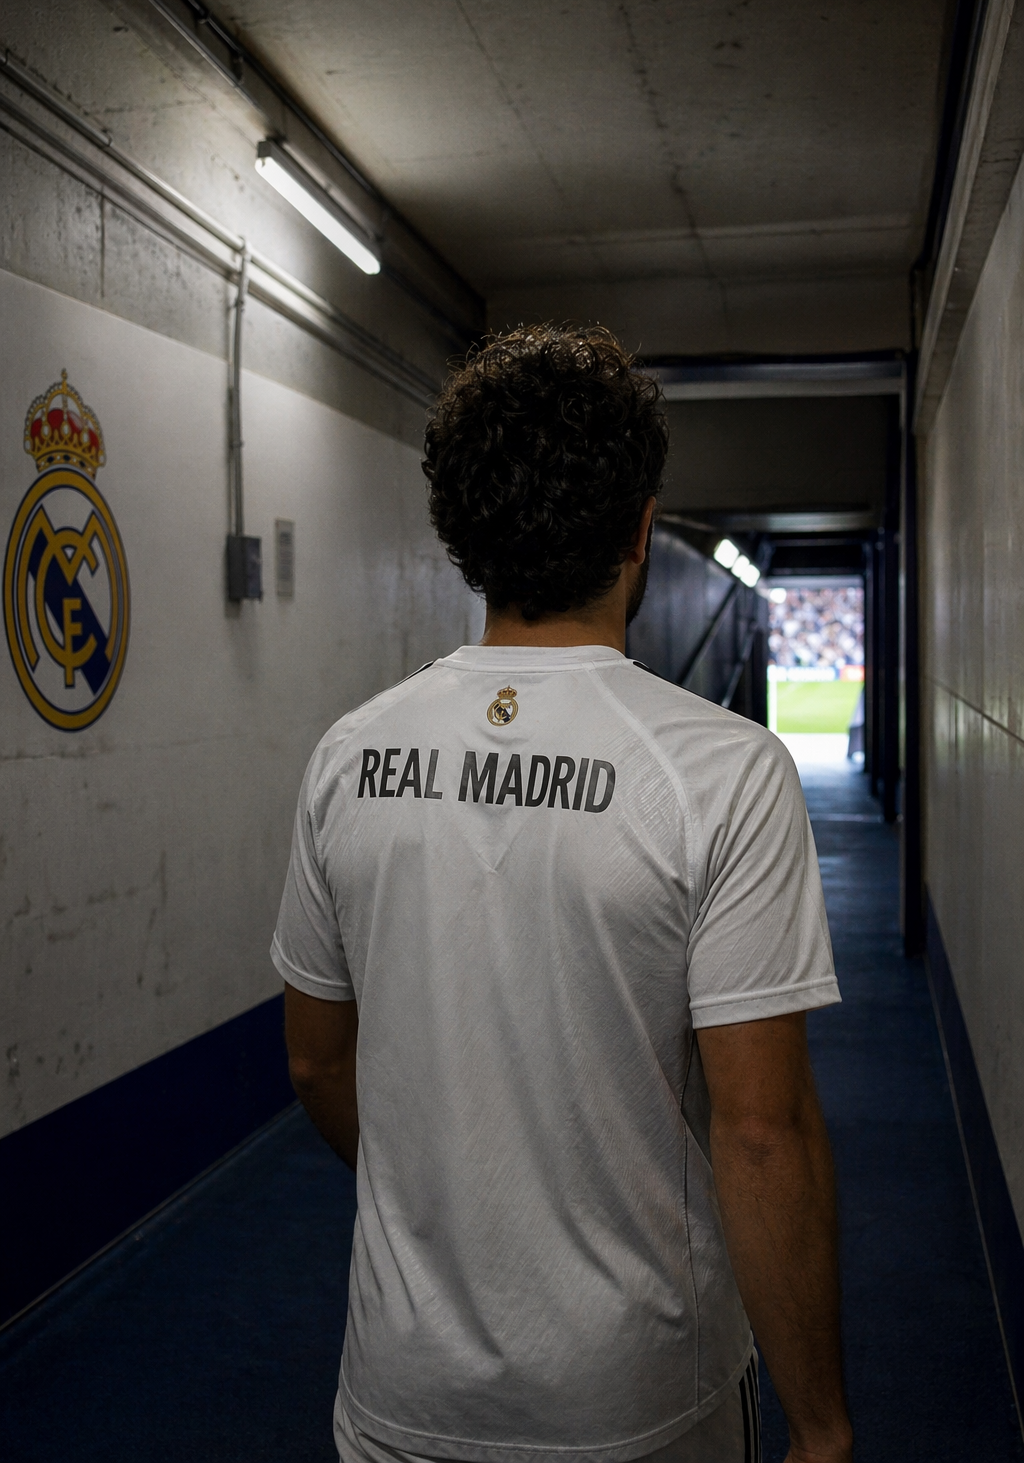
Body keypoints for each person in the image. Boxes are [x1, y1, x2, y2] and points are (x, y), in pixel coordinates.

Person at [271, 326, 853, 1463]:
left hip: (397, 1395)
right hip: (640, 1400)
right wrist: (822, 1426)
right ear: (640, 531)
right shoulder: (722, 772)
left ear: (461, 537)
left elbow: (315, 1064)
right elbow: (760, 1132)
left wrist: (454, 1216)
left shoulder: (349, 755)